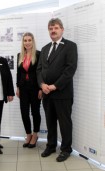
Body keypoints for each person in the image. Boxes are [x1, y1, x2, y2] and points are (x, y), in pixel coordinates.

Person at [36, 18, 78, 162]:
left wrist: (55, 86)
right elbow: (39, 69)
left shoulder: (70, 46)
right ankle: (51, 145)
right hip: (47, 94)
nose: (53, 31)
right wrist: (42, 84)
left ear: (62, 29)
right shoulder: (45, 48)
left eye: (55, 28)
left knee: (65, 122)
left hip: (62, 93)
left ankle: (66, 149)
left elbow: (70, 70)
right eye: (50, 28)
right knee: (50, 121)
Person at [16, 32, 42, 148]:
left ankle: (35, 134)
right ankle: (28, 134)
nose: (27, 42)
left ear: (33, 41)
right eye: (25, 40)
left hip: (35, 88)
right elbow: (19, 73)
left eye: (29, 40)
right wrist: (17, 87)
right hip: (23, 88)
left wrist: (41, 87)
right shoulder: (19, 55)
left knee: (35, 112)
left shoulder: (39, 54)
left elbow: (41, 72)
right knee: (24, 112)